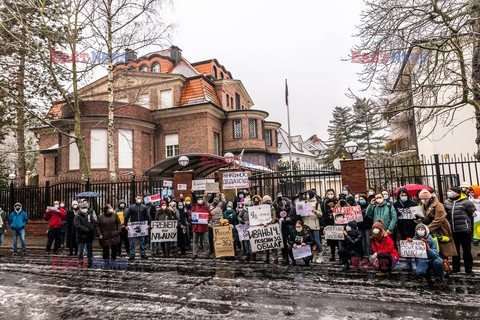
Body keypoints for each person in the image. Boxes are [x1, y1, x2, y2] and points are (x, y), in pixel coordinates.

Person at [418, 189, 457, 270]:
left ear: (428, 198)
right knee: (434, 249)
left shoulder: (438, 205)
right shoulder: (426, 205)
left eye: (424, 199)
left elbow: (438, 220)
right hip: (432, 229)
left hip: (441, 229)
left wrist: (427, 229)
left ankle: (445, 267)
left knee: (443, 249)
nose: (422, 201)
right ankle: (436, 268)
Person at [443, 186, 476, 274]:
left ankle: (468, 269)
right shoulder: (446, 202)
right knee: (455, 250)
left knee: (466, 250)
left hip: (464, 230)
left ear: (457, 192)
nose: (448, 192)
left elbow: (473, 215)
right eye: (448, 191)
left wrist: (470, 228)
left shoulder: (467, 202)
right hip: (453, 230)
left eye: (451, 191)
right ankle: (455, 267)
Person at [125, 195, 151, 260]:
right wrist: (126, 225)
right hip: (133, 228)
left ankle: (143, 254)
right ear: (135, 198)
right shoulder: (132, 207)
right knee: (133, 242)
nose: (139, 199)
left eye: (140, 198)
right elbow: (127, 216)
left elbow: (147, 216)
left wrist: (148, 224)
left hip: (142, 227)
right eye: (138, 198)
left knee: (142, 241)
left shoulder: (144, 207)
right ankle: (132, 254)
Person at [274, 193, 296, 265]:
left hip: (289, 228)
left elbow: (293, 218)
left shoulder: (290, 208)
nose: (282, 208)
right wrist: (278, 219)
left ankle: (293, 258)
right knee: (283, 244)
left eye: (282, 207)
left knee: (290, 243)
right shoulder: (276, 207)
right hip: (281, 228)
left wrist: (288, 220)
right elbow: (275, 217)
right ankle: (285, 258)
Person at [302, 190, 323, 264]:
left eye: (308, 194)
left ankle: (320, 256)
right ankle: (311, 255)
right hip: (307, 224)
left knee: (317, 241)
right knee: (309, 241)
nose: (307, 195)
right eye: (306, 194)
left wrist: (315, 211)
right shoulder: (304, 203)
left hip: (315, 224)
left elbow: (320, 214)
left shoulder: (316, 202)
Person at [189, 194, 212, 259]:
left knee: (206, 241)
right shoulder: (194, 208)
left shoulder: (206, 208)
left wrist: (208, 219)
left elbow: (210, 215)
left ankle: (206, 253)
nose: (200, 201)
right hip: (196, 227)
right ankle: (195, 253)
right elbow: (190, 216)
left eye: (201, 199)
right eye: (199, 199)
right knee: (195, 241)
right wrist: (191, 218)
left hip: (204, 226)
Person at [75, 202, 95, 267]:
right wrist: (86, 229)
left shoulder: (90, 215)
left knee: (90, 250)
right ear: (80, 209)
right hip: (81, 235)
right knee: (80, 250)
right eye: (83, 208)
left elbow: (93, 222)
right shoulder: (77, 216)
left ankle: (90, 261)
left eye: (85, 208)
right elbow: (78, 225)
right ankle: (80, 262)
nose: (84, 209)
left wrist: (91, 228)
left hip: (89, 235)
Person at [321, 189, 338, 261]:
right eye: (329, 194)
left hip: (336, 222)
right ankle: (332, 254)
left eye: (332, 193)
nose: (330, 195)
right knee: (330, 240)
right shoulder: (324, 202)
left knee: (338, 239)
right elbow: (323, 214)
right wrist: (325, 227)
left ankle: (340, 256)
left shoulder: (337, 201)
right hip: (328, 222)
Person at [262, 195, 279, 265]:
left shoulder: (272, 207)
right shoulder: (261, 208)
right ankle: (267, 257)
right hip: (264, 227)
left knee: (272, 244)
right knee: (266, 243)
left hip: (270, 227)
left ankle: (275, 258)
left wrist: (268, 223)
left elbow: (274, 217)